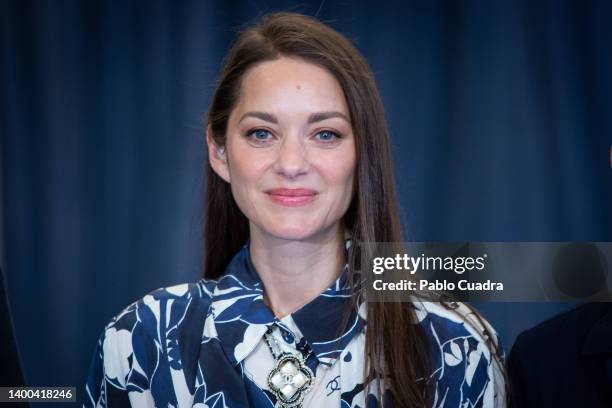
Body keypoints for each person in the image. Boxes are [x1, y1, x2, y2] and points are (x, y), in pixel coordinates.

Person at [84, 12, 506, 408]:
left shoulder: (453, 346)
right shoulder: (141, 339)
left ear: (363, 153)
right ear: (219, 151)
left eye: (325, 134)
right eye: (261, 133)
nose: (291, 164)